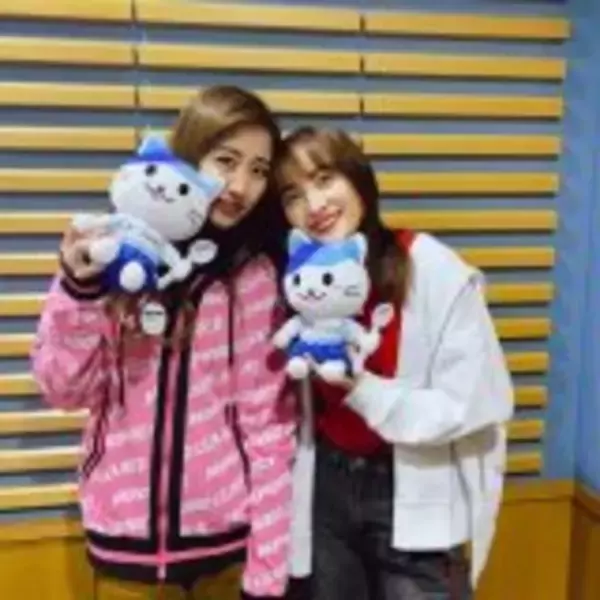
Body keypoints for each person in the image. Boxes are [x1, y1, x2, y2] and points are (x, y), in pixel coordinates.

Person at [30, 85, 297, 600]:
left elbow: (269, 430)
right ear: (190, 154)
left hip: (225, 549)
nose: (241, 186)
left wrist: (267, 573)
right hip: (123, 546)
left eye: (259, 170)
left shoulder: (254, 277)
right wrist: (77, 290)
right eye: (226, 161)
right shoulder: (116, 258)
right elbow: (63, 389)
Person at [274, 127, 514, 600]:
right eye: (292, 195)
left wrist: (362, 389)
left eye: (324, 178)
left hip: (411, 487)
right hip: (326, 486)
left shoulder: (430, 266)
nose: (314, 204)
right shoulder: (297, 282)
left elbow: (473, 401)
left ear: (357, 177)